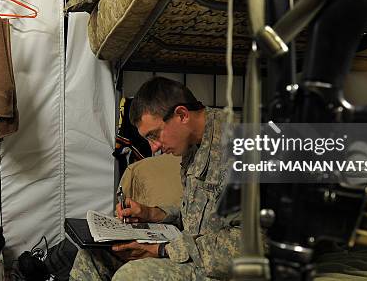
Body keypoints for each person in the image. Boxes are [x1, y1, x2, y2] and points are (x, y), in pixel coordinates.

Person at [69, 77, 240, 280]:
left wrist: (162, 250)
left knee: (133, 276)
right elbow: (199, 218)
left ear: (182, 115)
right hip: (191, 253)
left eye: (154, 135)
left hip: (222, 270)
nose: (154, 147)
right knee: (91, 256)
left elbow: (250, 246)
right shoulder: (193, 145)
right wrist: (151, 213)